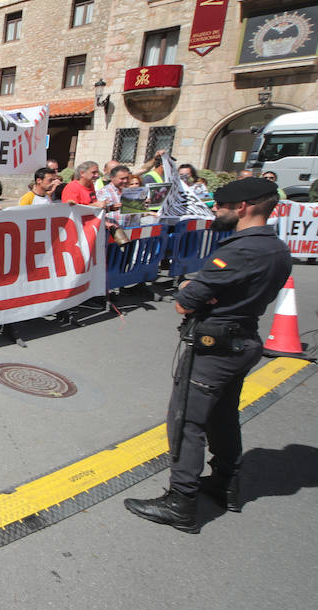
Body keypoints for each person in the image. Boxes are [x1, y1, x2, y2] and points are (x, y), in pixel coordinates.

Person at [123, 177, 292, 532]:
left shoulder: (238, 250)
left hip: (214, 348)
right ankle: (224, 483)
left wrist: (188, 286)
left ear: (243, 208)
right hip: (244, 339)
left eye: (221, 205)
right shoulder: (276, 247)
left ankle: (181, 501)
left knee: (187, 422)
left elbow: (185, 302)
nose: (215, 210)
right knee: (223, 416)